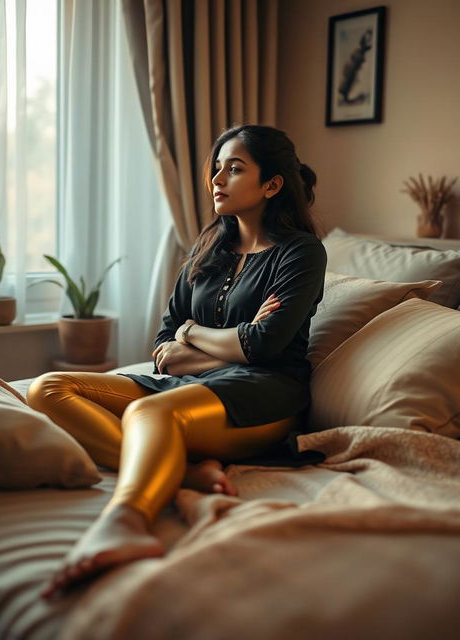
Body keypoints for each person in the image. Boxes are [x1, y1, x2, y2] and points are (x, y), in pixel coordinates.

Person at [27, 124, 327, 599]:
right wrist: (218, 344)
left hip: (267, 393)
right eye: (216, 168)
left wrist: (195, 336)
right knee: (47, 388)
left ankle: (125, 520)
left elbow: (263, 347)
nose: (217, 179)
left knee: (148, 411)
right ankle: (184, 471)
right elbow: (165, 341)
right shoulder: (207, 250)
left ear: (272, 185)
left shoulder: (301, 253)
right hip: (199, 385)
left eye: (235, 168)